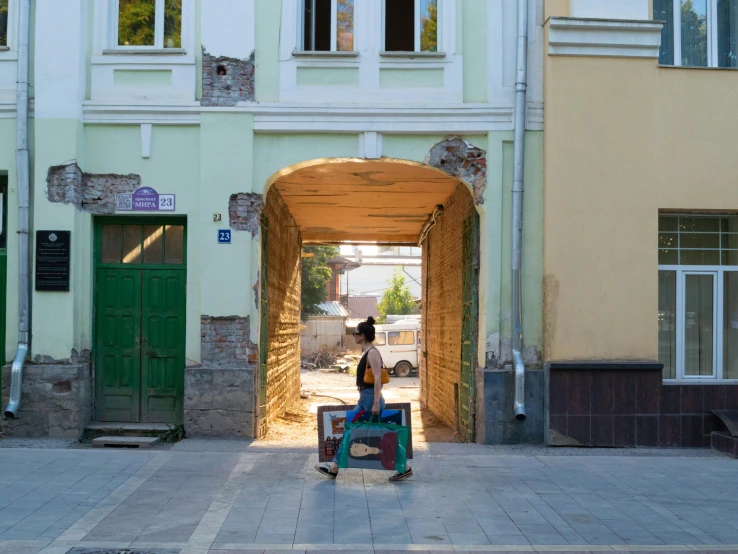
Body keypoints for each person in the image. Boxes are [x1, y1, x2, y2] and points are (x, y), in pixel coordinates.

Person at [315, 316, 413, 482]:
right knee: (369, 431)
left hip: (369, 399)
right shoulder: (367, 352)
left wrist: (375, 402)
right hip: (365, 398)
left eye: (356, 333)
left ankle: (334, 468)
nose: (354, 336)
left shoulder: (373, 353)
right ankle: (404, 468)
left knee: (353, 429)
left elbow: (377, 379)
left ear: (363, 336)